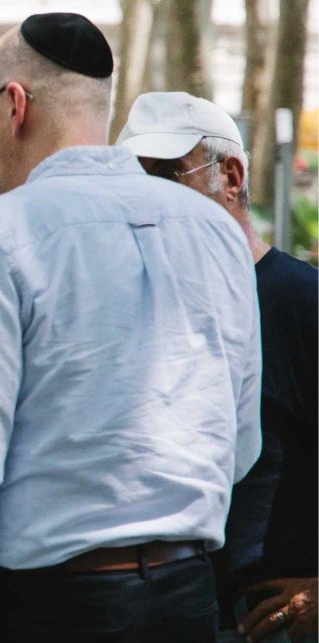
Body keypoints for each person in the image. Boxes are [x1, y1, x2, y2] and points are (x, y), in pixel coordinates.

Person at [0, 13, 262, 643]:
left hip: (51, 605)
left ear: (13, 106)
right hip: (188, 596)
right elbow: (241, 442)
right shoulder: (215, 230)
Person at [118, 91, 319, 643]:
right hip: (168, 607)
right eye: (135, 185)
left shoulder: (302, 301)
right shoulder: (143, 305)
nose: (149, 202)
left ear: (231, 176)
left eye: (167, 176)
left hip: (267, 616)